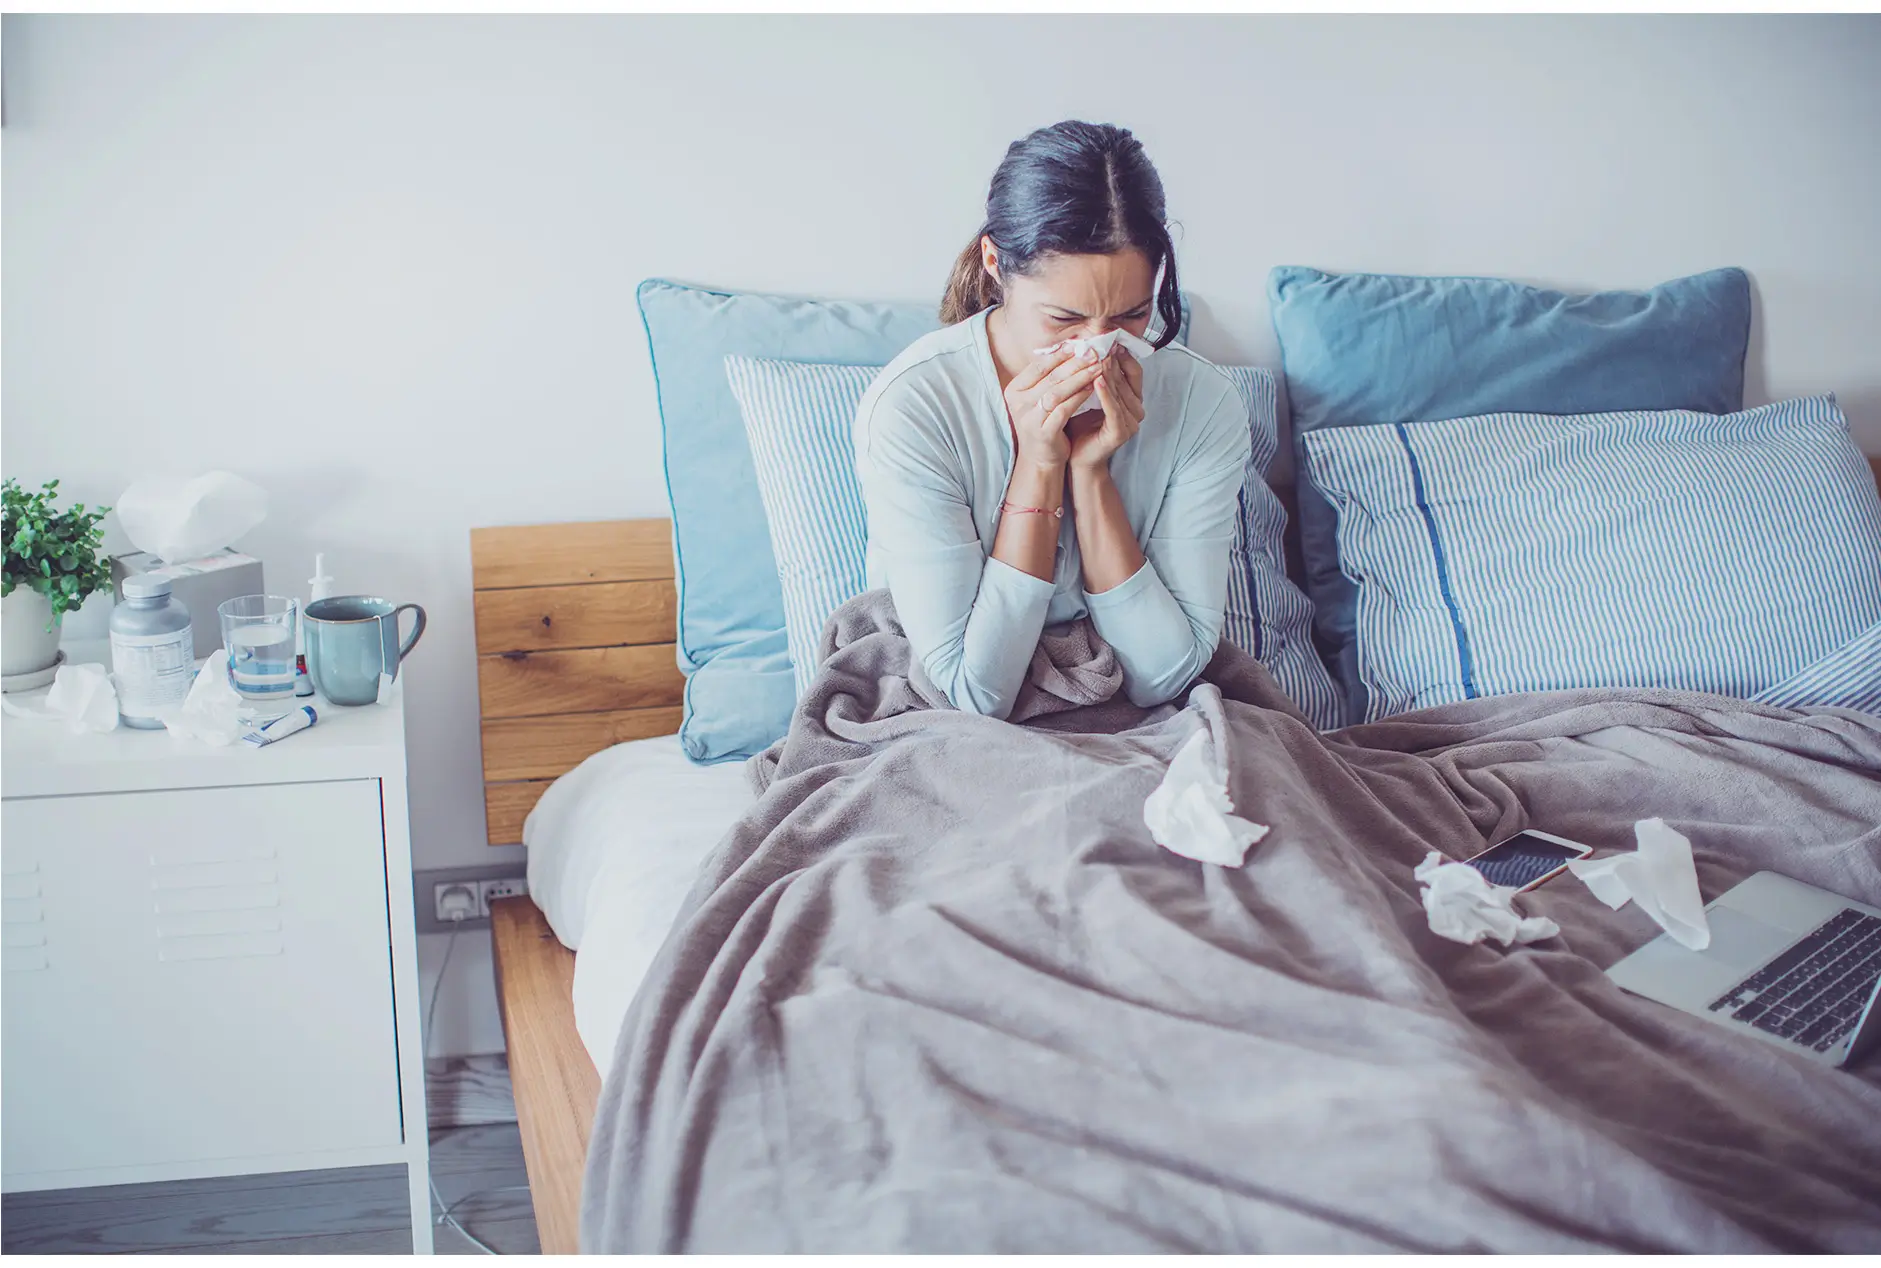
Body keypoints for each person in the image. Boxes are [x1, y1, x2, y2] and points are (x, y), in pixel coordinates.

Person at [853, 119, 1249, 719]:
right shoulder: (917, 405)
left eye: (1132, 315)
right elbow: (973, 693)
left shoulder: (1202, 402)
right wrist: (1039, 464)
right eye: (1064, 319)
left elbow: (1165, 676)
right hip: (948, 722)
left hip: (1141, 719)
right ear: (993, 261)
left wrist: (1092, 477)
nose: (1099, 347)